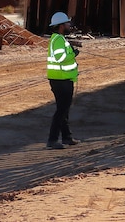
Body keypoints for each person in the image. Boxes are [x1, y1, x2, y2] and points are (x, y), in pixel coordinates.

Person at [46, 11, 82, 150]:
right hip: (61, 80)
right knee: (61, 111)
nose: (69, 25)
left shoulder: (59, 39)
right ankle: (52, 140)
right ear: (61, 25)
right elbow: (60, 58)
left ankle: (67, 137)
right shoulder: (58, 40)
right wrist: (73, 54)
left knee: (64, 110)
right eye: (67, 23)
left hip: (62, 79)